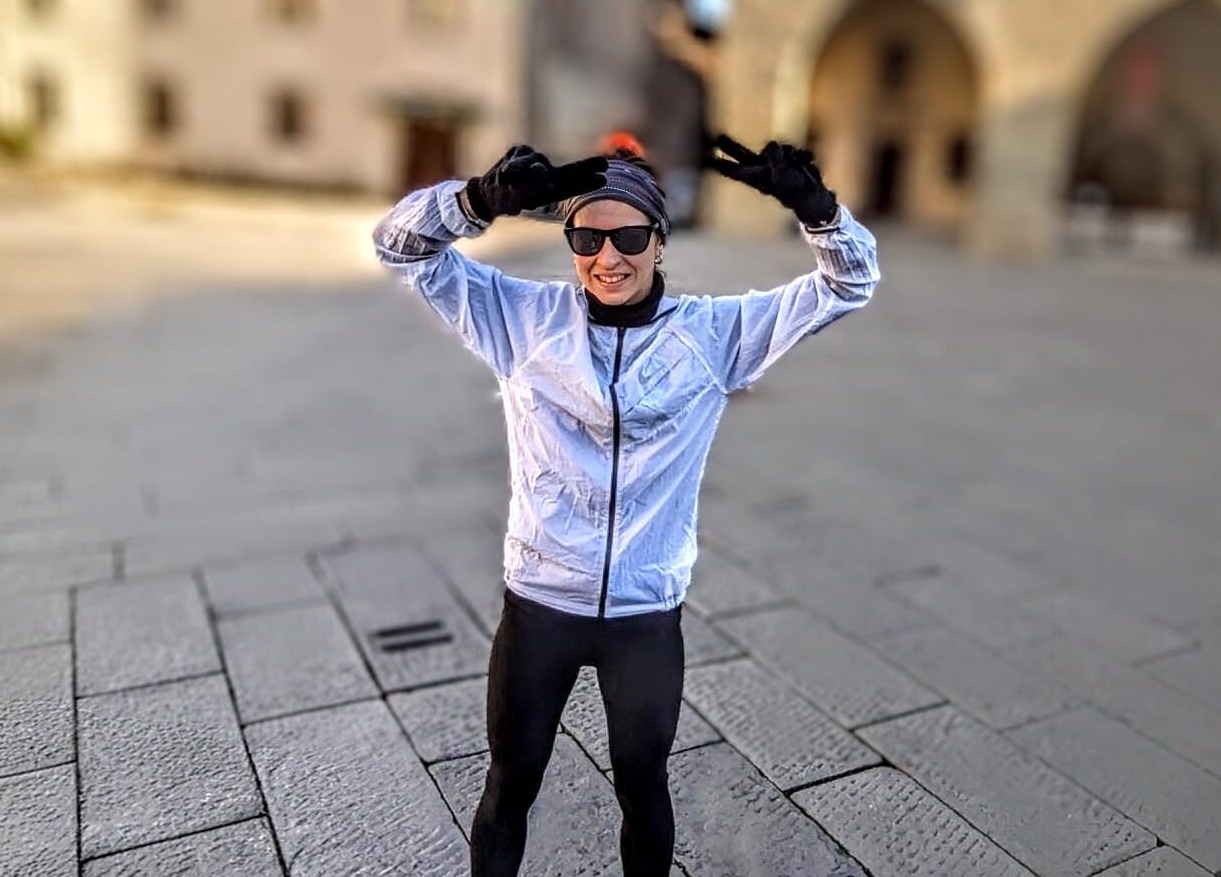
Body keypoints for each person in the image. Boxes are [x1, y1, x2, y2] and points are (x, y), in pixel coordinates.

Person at [370, 133, 880, 877]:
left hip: (645, 611)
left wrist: (818, 210)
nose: (608, 258)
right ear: (570, 240)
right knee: (510, 785)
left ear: (661, 241)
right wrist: (475, 201)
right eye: (588, 237)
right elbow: (399, 248)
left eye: (630, 236)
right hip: (540, 604)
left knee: (644, 789)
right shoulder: (523, 319)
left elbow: (849, 283)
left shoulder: (715, 334)